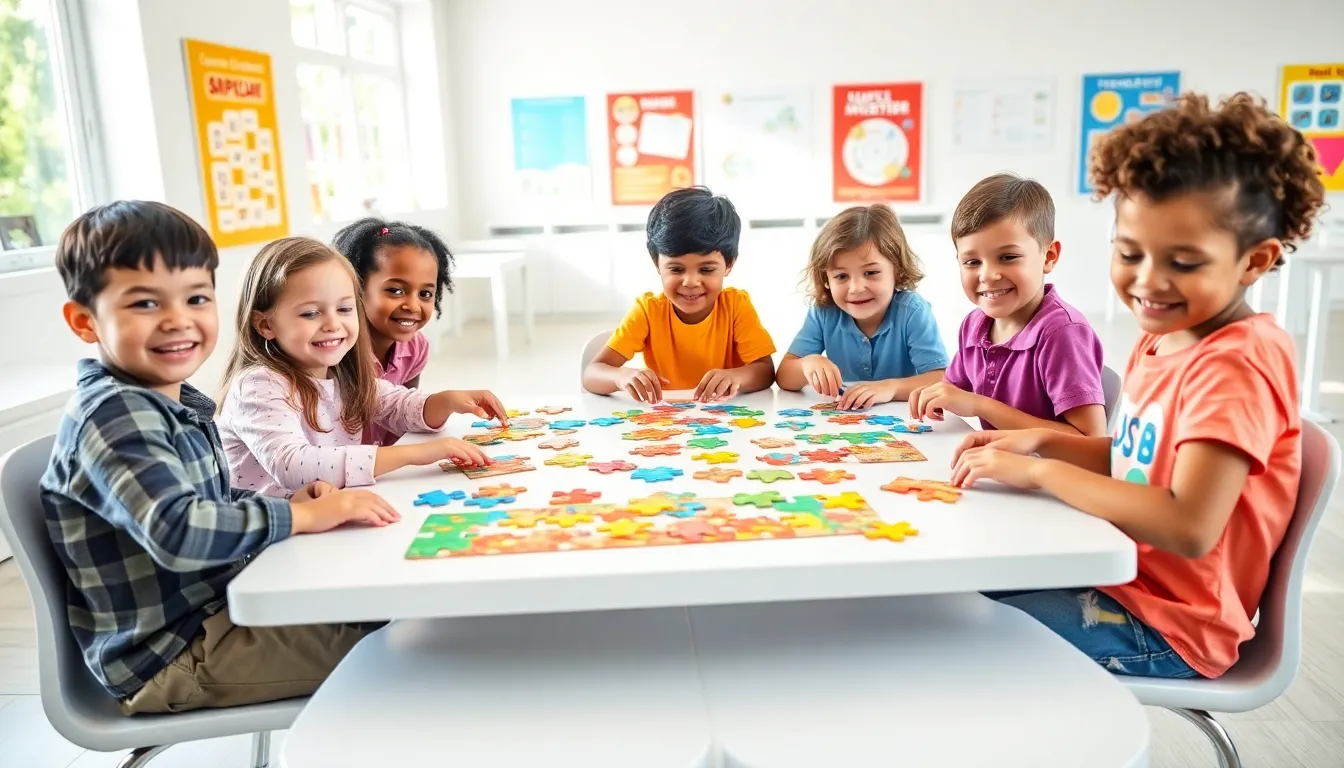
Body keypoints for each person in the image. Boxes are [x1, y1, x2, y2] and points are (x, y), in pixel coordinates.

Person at [952, 93, 1327, 678]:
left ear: (1254, 261)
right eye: (1130, 253)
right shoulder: (1164, 337)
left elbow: (1187, 524)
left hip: (1170, 622)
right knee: (945, 600)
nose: (1149, 281)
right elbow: (1132, 462)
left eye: (1184, 261)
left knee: (957, 646)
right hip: (1117, 574)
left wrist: (1044, 471)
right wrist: (1040, 443)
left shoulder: (1237, 363)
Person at [40, 201, 400, 713]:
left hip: (217, 611)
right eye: (145, 304)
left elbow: (207, 495)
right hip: (175, 655)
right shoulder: (117, 418)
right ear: (85, 321)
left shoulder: (166, 400)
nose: (177, 321)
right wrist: (296, 515)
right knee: (398, 647)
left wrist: (283, 500)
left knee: (385, 606)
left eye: (196, 298)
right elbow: (179, 531)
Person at [217, 236, 505, 497]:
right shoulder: (258, 385)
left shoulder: (343, 374)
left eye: (344, 309)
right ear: (266, 325)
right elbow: (292, 466)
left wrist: (448, 401)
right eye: (310, 313)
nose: (333, 324)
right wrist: (415, 453)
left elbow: (399, 406)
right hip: (270, 542)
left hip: (325, 518)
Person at [910, 173, 1107, 436]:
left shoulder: (1062, 333)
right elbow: (953, 391)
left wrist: (981, 406)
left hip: (1048, 473)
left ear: (1049, 256)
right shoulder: (974, 325)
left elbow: (1091, 441)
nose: (988, 275)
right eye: (972, 262)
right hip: (999, 465)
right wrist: (934, 396)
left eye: (1008, 257)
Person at [582, 187, 776, 403]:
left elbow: (766, 372)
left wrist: (735, 376)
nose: (690, 282)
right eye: (676, 269)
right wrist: (621, 376)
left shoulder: (736, 306)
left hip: (727, 420)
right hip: (666, 423)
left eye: (706, 270)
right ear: (657, 263)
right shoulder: (648, 310)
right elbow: (592, 374)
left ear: (729, 264)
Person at [777, 204, 947, 410]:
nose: (856, 288)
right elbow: (784, 377)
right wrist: (807, 364)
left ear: (898, 271)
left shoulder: (912, 311)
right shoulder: (824, 311)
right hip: (846, 423)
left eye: (871, 273)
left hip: (904, 418)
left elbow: (941, 379)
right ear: (826, 280)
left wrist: (890, 388)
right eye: (841, 276)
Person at [332, 217, 456, 444]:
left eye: (425, 294)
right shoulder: (335, 349)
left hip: (387, 467)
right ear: (357, 286)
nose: (413, 305)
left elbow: (405, 417)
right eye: (396, 290)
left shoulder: (415, 347)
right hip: (336, 468)